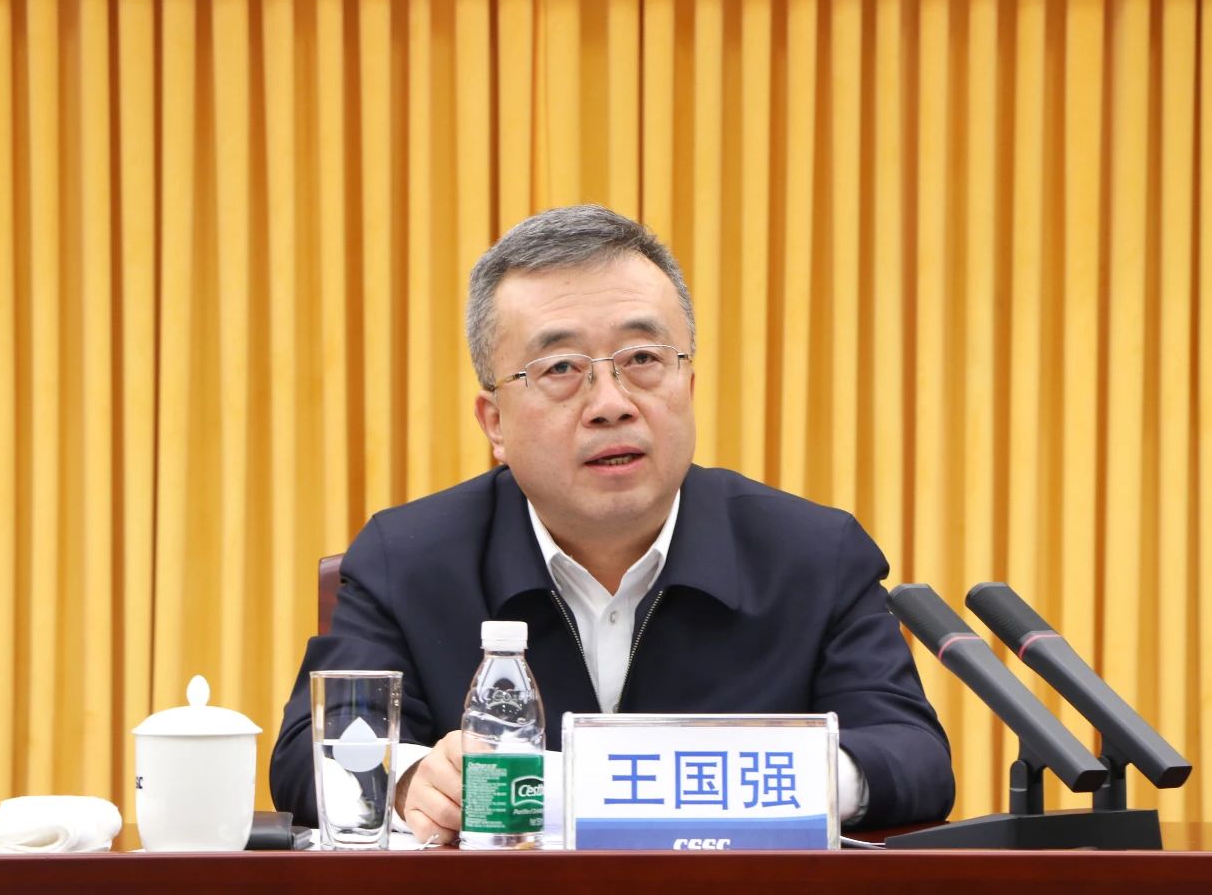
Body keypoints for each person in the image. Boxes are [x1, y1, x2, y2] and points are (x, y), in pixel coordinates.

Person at [269, 204, 955, 842]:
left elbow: (911, 756)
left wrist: (756, 781)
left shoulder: (814, 555)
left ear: (688, 386)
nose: (610, 403)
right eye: (562, 368)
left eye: (643, 360)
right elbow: (310, 750)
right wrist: (414, 780)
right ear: (495, 423)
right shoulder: (408, 557)